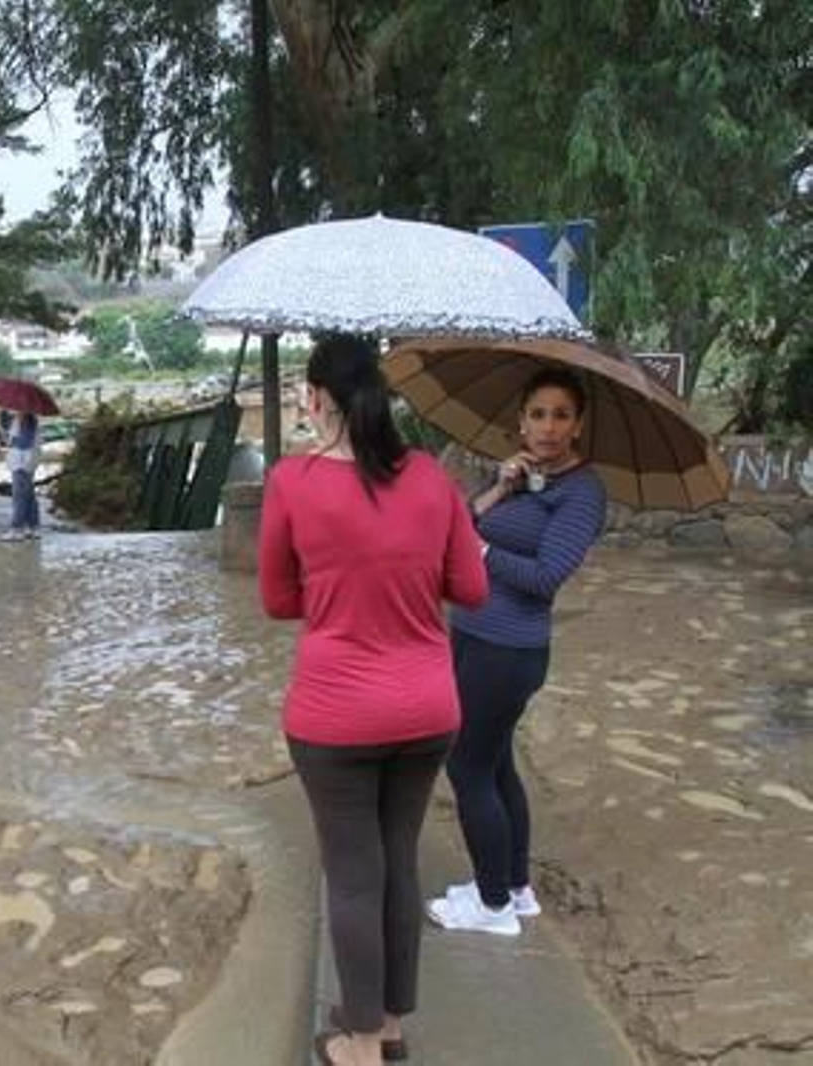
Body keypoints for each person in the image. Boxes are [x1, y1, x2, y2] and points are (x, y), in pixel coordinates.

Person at [259, 334, 487, 1066]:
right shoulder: (430, 477)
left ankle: (356, 1045)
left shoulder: (292, 482)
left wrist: (338, 586)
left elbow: (277, 599)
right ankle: (386, 1023)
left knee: (353, 877)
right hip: (428, 712)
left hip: (334, 718)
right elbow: (472, 589)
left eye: (304, 389)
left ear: (318, 397)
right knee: (398, 862)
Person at [427, 367, 606, 937]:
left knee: (466, 764)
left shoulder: (582, 492)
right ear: (520, 420)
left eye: (560, 416)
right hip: (475, 635)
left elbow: (547, 575)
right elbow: (458, 526)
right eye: (537, 415)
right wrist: (502, 487)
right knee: (497, 760)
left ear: (579, 424)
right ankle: (517, 887)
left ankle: (492, 904)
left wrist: (479, 552)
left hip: (509, 648)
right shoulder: (527, 479)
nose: (548, 428)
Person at [1, 410, 41, 541]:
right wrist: (4, 413)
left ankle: (17, 528)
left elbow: (25, 442)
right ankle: (33, 527)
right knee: (28, 494)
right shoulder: (14, 418)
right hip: (19, 460)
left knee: (19, 494)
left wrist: (21, 418)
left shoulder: (29, 419)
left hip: (23, 461)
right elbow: (5, 427)